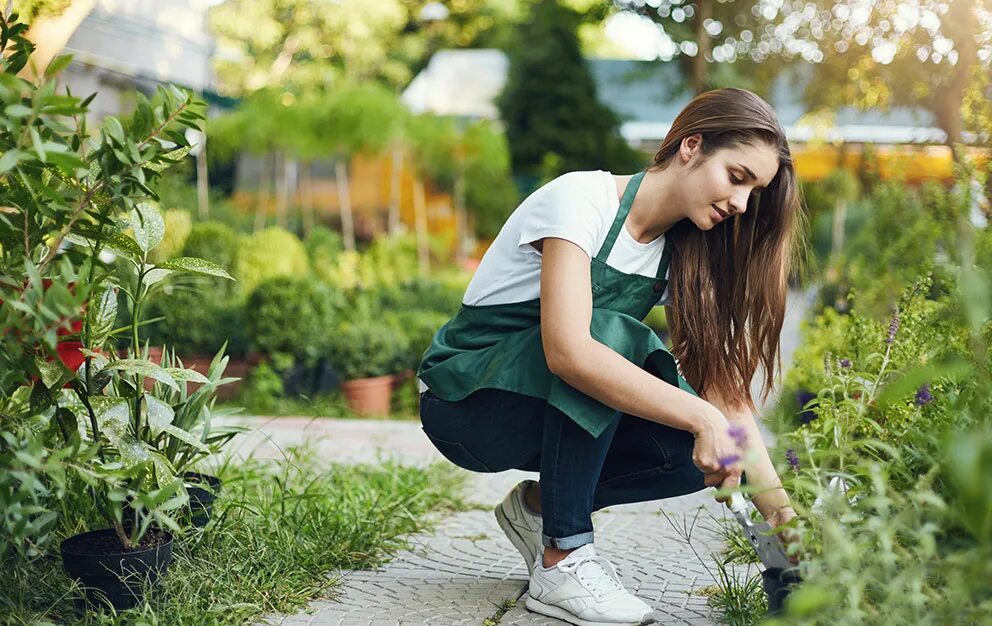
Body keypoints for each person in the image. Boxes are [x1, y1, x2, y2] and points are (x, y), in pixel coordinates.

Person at [417, 87, 801, 626]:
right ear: (691, 146)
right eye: (737, 177)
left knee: (697, 453)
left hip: (535, 403)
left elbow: (726, 397)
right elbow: (571, 351)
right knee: (613, 338)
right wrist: (701, 414)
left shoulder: (682, 255)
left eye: (753, 192)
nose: (740, 204)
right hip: (464, 401)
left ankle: (540, 510)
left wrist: (785, 523)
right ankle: (563, 559)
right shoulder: (582, 201)